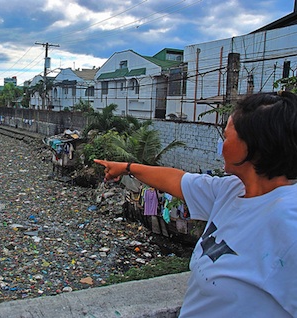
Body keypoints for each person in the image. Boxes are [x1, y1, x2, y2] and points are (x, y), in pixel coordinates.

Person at [94, 91, 297, 317]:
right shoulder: (231, 190)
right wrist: (126, 168)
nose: (221, 143)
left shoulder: (289, 221)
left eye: (227, 136)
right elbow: (176, 180)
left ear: (251, 146)